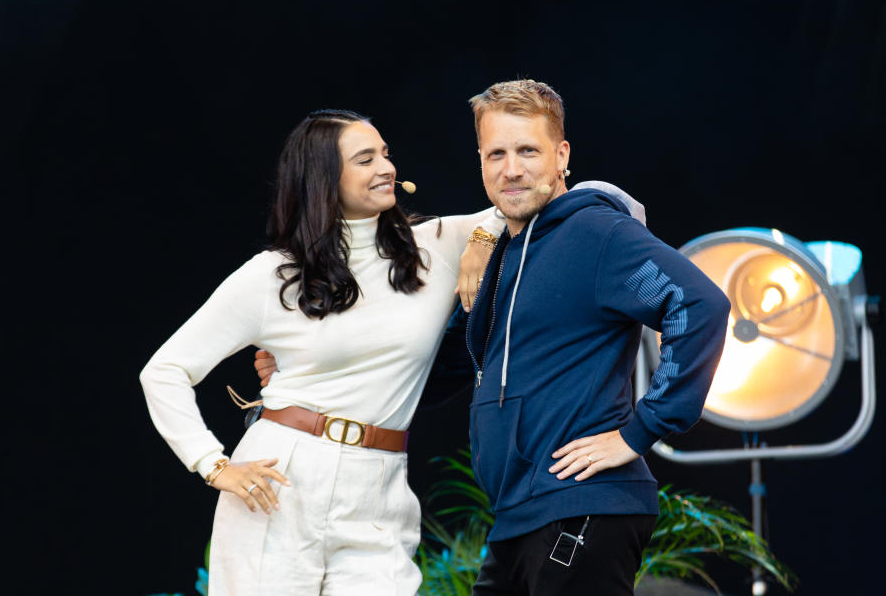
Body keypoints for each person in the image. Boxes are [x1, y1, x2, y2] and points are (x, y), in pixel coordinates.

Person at [140, 107, 639, 596]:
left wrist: (485, 237)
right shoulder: (273, 275)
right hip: (284, 480)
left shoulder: (434, 248)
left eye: (385, 154)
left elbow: (570, 198)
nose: (386, 168)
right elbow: (164, 370)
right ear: (323, 178)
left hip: (379, 486)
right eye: (365, 159)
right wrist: (213, 464)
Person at [462, 80, 731, 595]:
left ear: (562, 155)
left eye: (528, 151)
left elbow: (698, 305)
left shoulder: (596, 236)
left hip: (583, 506)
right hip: (518, 515)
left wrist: (640, 430)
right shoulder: (502, 256)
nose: (511, 168)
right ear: (480, 160)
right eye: (496, 153)